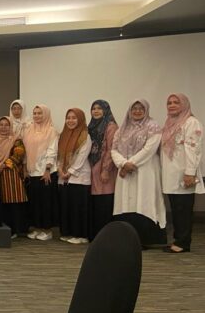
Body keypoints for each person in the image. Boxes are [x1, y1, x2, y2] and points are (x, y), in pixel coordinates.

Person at [110, 99, 166, 248]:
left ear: (146, 110)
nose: (137, 111)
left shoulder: (153, 126)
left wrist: (130, 163)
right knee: (126, 203)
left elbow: (149, 149)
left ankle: (145, 240)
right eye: (134, 108)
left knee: (143, 202)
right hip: (125, 171)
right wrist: (123, 163)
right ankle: (126, 239)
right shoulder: (123, 128)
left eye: (141, 108)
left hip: (145, 169)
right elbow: (114, 149)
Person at [160, 93, 204, 253]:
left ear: (184, 104)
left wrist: (190, 173)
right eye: (169, 102)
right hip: (171, 174)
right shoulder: (169, 123)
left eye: (176, 102)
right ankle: (178, 240)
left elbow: (194, 149)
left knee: (183, 209)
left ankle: (183, 243)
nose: (172, 105)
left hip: (184, 173)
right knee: (176, 209)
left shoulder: (191, 122)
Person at [0, 117, 28, 236]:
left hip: (10, 175)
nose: (3, 127)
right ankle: (2, 229)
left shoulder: (16, 140)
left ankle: (15, 230)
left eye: (6, 125)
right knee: (0, 201)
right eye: (1, 125)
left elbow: (18, 155)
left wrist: (2, 165)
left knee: (12, 202)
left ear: (10, 126)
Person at [23, 104, 59, 241]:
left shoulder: (51, 130)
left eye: (40, 113)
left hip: (46, 172)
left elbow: (52, 151)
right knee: (35, 202)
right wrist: (25, 169)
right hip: (33, 172)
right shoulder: (29, 130)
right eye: (35, 113)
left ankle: (47, 230)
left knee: (46, 202)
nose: (37, 116)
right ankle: (37, 228)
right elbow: (26, 151)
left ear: (46, 114)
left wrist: (48, 169)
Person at [57, 108, 92, 244]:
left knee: (78, 207)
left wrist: (70, 171)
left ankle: (80, 235)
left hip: (79, 177)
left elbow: (82, 156)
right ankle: (68, 232)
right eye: (68, 118)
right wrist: (60, 169)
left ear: (80, 119)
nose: (70, 121)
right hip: (64, 177)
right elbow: (58, 155)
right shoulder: (63, 135)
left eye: (74, 118)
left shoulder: (85, 136)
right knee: (67, 206)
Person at [87, 100, 118, 239]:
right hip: (92, 167)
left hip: (105, 169)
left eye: (99, 108)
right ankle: (95, 234)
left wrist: (106, 169)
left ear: (106, 110)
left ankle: (105, 236)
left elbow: (111, 149)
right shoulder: (91, 126)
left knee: (104, 201)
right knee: (95, 203)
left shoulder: (111, 126)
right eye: (93, 108)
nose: (96, 111)